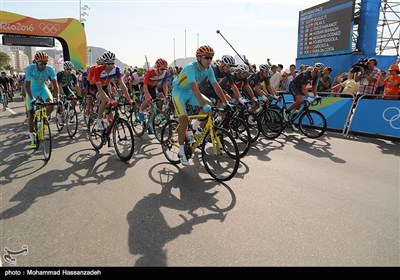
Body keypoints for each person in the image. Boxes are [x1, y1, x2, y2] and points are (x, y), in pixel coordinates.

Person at [171, 45, 228, 166]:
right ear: (199, 58)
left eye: (211, 58)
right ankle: (181, 151)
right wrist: (203, 104)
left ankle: (198, 130)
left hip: (190, 92)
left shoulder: (209, 69)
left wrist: (227, 103)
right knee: (184, 121)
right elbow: (194, 87)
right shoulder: (190, 67)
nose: (209, 60)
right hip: (179, 93)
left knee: (210, 105)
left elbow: (216, 86)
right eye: (206, 58)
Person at [24, 51, 60, 148]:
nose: (43, 66)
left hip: (43, 89)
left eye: (45, 63)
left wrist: (58, 97)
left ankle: (44, 120)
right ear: (36, 62)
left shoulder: (50, 69)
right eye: (41, 63)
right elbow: (26, 86)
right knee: (31, 113)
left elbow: (55, 85)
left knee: (51, 104)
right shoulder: (30, 69)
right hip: (31, 90)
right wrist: (32, 99)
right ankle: (32, 136)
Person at [91, 51, 134, 130]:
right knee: (105, 100)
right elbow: (99, 89)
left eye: (112, 63)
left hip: (105, 87)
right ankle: (99, 119)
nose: (111, 66)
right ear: (104, 63)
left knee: (110, 112)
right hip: (95, 87)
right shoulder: (98, 69)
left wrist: (129, 99)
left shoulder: (116, 69)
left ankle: (108, 132)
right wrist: (109, 100)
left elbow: (122, 85)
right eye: (108, 64)